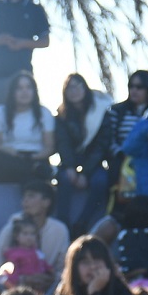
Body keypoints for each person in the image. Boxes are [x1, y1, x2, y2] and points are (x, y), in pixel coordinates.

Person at [54, 72, 114, 232]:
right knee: (64, 179)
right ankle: (63, 223)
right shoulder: (61, 116)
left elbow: (101, 146)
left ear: (85, 88)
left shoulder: (101, 113)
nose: (74, 91)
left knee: (100, 182)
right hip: (70, 163)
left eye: (77, 86)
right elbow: (63, 144)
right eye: (69, 88)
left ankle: (83, 223)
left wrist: (85, 174)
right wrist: (70, 168)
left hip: (94, 163)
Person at [52, 234, 138, 295]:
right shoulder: (64, 292)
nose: (92, 267)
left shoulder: (121, 291)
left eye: (97, 260)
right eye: (85, 262)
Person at [0, 71, 56, 186]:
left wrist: (33, 157)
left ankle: (31, 171)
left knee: (34, 169)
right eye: (19, 88)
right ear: (12, 92)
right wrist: (5, 149)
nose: (24, 92)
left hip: (36, 157)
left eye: (28, 87)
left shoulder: (44, 113)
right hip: (10, 157)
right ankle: (32, 171)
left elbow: (49, 147)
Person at [0, 184, 73, 283]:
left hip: (49, 289)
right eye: (24, 196)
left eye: (31, 196)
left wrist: (49, 279)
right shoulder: (11, 228)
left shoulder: (60, 230)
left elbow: (64, 270)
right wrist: (23, 280)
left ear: (46, 202)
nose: (25, 200)